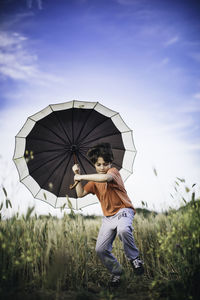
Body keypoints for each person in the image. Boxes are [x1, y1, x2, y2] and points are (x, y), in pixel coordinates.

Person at [72, 143, 144, 287]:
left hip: (123, 210)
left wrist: (82, 175)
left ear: (110, 163)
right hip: (108, 218)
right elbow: (79, 194)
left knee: (123, 230)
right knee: (100, 249)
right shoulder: (92, 182)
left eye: (106, 164)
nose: (102, 167)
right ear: (94, 165)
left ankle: (135, 259)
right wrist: (76, 176)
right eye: (99, 164)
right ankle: (116, 272)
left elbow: (106, 178)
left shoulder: (113, 172)